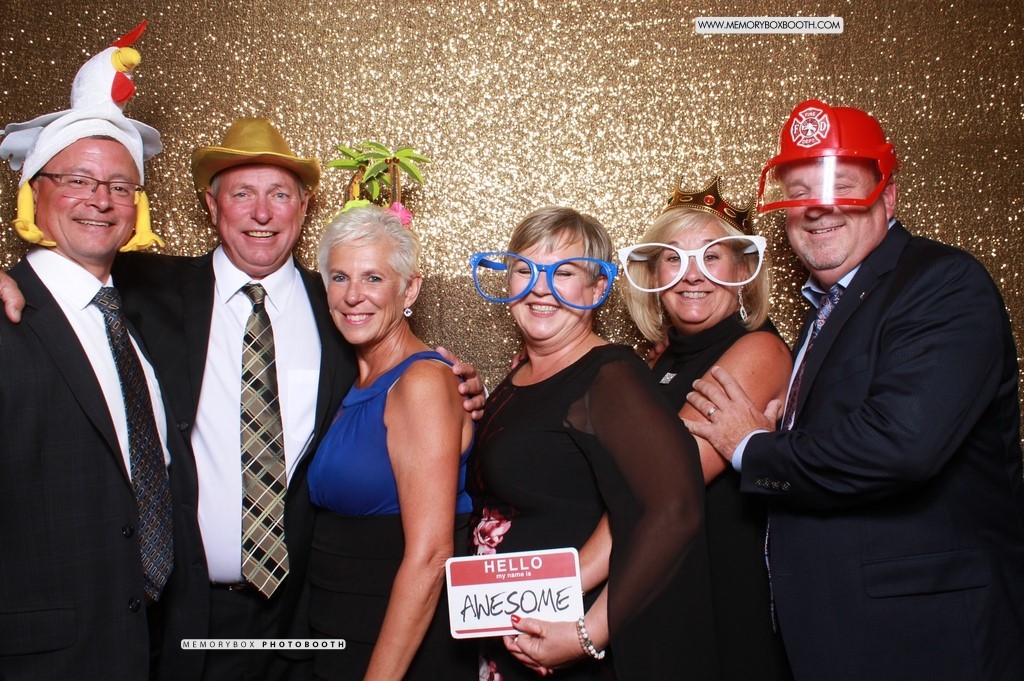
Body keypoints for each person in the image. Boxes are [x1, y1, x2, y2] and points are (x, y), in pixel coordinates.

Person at [0, 118, 486, 680]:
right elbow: (68, 273)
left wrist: (457, 391)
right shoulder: (146, 290)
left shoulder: (339, 305)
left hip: (307, 619)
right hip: (186, 615)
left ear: (303, 207)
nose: (261, 213)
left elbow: (393, 384)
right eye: (241, 194)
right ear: (212, 206)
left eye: (279, 194)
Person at [683, 99, 1024, 680]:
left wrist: (752, 447)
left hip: (925, 640)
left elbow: (902, 444)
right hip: (840, 635)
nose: (818, 208)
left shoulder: (942, 282)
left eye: (841, 187)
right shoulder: (829, 310)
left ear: (889, 197)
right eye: (799, 192)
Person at [0, 24, 205, 680]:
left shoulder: (143, 318)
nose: (101, 200)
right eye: (78, 180)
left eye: (120, 186)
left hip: (157, 648)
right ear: (34, 190)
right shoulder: (7, 315)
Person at [467, 206, 711, 680]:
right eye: (525, 269)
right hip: (508, 632)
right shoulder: (525, 371)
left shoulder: (610, 377)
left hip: (563, 643)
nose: (541, 288)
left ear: (598, 289)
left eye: (564, 272)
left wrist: (587, 634)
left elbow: (675, 508)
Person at [617, 177, 793, 680]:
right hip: (667, 593)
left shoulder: (757, 350)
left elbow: (663, 480)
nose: (691, 274)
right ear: (654, 273)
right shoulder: (663, 360)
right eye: (673, 258)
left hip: (723, 602)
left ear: (742, 270)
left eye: (711, 256)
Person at [305, 204, 476, 680]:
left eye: (373, 278)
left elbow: (431, 556)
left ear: (410, 288)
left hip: (395, 650)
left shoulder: (421, 383)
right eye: (340, 277)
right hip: (340, 633)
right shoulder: (349, 379)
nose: (353, 295)